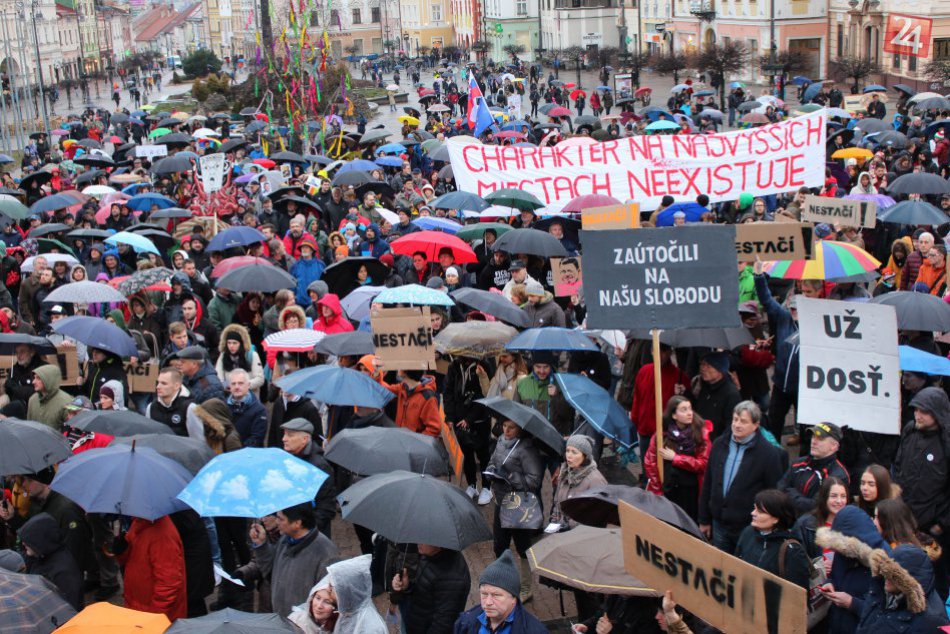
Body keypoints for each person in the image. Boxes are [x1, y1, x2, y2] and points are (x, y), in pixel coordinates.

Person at [699, 401, 786, 554]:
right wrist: (704, 519)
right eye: (735, 419)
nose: (737, 425)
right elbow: (708, 483)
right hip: (719, 524)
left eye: (743, 421)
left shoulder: (769, 454)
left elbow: (774, 494)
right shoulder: (719, 444)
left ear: (755, 425)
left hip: (749, 528)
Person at [238, 502, 340, 617]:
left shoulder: (326, 553)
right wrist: (261, 545)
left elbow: (329, 600)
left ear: (297, 523)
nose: (277, 522)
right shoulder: (285, 540)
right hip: (281, 619)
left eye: (281, 519)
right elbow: (271, 574)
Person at [485, 418, 544, 603]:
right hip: (500, 501)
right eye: (504, 426)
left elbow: (534, 480)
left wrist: (511, 476)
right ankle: (503, 583)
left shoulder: (526, 448)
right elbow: (492, 461)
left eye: (512, 427)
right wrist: (491, 470)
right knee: (499, 545)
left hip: (518, 504)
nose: (507, 430)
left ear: (520, 429)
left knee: (523, 548)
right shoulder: (500, 442)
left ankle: (526, 589)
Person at [644, 395, 712, 521]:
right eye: (684, 410)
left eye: (690, 408)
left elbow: (704, 464)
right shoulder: (661, 435)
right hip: (669, 489)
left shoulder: (701, 435)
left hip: (691, 492)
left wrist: (676, 459)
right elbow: (651, 463)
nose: (689, 413)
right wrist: (657, 490)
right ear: (674, 415)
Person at [453, 550, 547, 633]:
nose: (488, 602)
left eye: (496, 595)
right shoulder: (465, 622)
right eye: (484, 594)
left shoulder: (534, 630)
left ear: (514, 599)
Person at [115, 514, 189, 621]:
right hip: (138, 606)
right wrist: (122, 550)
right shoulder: (139, 522)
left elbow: (168, 583)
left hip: (153, 615)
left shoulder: (163, 534)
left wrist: (154, 618)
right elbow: (133, 557)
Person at [734, 489, 812, 590]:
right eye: (754, 508)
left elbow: (798, 595)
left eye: (760, 511)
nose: (753, 513)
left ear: (776, 518)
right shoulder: (748, 533)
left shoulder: (792, 550)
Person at [289, 555, 388, 633]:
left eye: (332, 586)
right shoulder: (347, 613)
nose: (328, 588)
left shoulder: (370, 628)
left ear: (346, 590)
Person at [390, 544, 471, 634]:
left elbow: (443, 625)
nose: (418, 542)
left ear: (438, 544)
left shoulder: (454, 579)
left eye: (423, 540)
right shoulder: (429, 554)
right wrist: (407, 586)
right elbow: (424, 588)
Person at [778, 421, 851, 515]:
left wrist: (790, 492)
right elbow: (780, 488)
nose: (813, 441)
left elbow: (815, 506)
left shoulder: (838, 476)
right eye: (813, 436)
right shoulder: (797, 463)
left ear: (834, 446)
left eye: (820, 438)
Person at [280, 418, 337, 538]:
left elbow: (326, 508)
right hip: (291, 530)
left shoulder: (319, 466)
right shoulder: (288, 459)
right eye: (284, 434)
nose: (284, 439)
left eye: (290, 435)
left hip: (310, 536)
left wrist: (305, 531)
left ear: (304, 439)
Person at [19, 512, 83, 610]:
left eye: (29, 540)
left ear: (40, 541)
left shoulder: (64, 573)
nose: (23, 543)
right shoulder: (38, 555)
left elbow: (70, 608)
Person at [550, 435, 608, 530]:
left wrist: (570, 525)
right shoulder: (565, 471)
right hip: (561, 529)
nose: (569, 455)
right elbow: (557, 500)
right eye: (568, 450)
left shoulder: (596, 480)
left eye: (574, 452)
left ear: (585, 456)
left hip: (581, 534)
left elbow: (597, 514)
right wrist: (554, 518)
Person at [794, 476, 850, 563]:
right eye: (833, 496)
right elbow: (798, 560)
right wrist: (818, 566)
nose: (839, 501)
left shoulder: (852, 523)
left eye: (843, 496)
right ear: (824, 498)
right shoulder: (805, 524)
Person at [693, 351, 742, 441]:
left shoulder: (731, 394)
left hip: (716, 442)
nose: (703, 369)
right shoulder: (700, 385)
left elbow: (731, 426)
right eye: (702, 364)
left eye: (708, 366)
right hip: (698, 438)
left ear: (720, 370)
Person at [226, 368, 268, 447]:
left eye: (240, 383)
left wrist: (237, 450)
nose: (237, 387)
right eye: (233, 384)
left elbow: (257, 438)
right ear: (229, 386)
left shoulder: (259, 409)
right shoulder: (224, 406)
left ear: (248, 385)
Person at [26, 364, 72, 430]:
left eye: (38, 378)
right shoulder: (32, 400)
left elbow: (71, 431)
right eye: (34, 378)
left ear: (48, 379)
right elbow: (29, 428)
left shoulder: (66, 401)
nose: (33, 382)